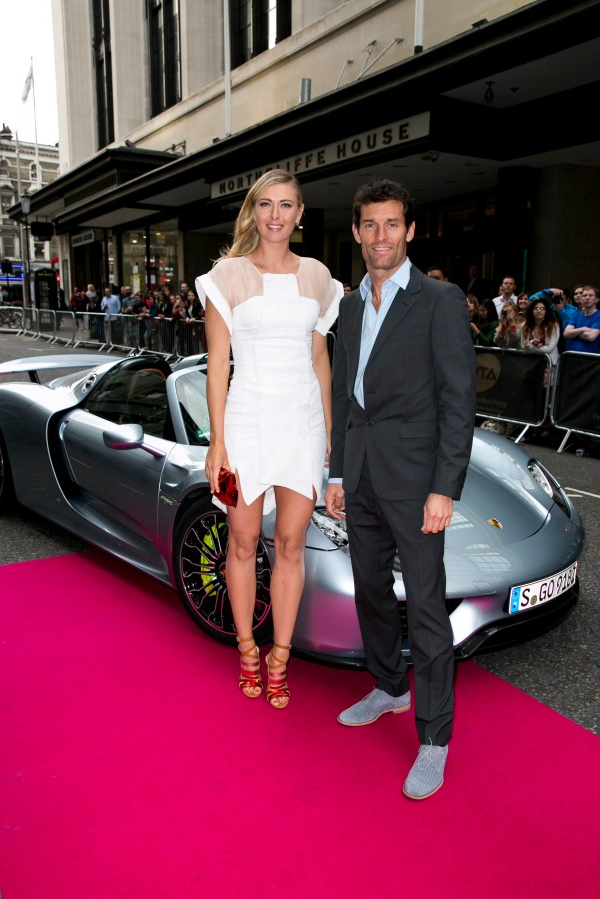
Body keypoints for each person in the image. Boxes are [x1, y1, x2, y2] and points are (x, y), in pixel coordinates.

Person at [324, 178, 476, 800]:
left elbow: (458, 399)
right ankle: (389, 686)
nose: (381, 236)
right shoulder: (351, 306)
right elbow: (344, 395)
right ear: (357, 233)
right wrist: (336, 471)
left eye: (393, 224)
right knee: (370, 593)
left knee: (427, 607)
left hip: (416, 484)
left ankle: (435, 740)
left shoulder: (440, 301)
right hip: (358, 475)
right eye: (371, 225)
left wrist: (445, 487)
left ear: (409, 232)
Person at [196, 169, 342, 710]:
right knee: (241, 540)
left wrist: (328, 435)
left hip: (301, 426)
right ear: (253, 213)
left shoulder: (320, 277)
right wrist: (217, 444)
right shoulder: (226, 275)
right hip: (245, 426)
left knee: (290, 545)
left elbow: (320, 358)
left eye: (287, 205)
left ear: (300, 214)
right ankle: (247, 649)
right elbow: (217, 366)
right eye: (266, 205)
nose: (276, 216)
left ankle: (280, 655)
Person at [563, 285, 600, 353]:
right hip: (572, 356)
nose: (587, 298)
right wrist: (583, 329)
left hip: (589, 359)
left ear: (596, 299)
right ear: (581, 299)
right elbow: (566, 333)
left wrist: (574, 333)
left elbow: (591, 337)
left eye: (591, 295)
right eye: (584, 295)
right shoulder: (576, 315)